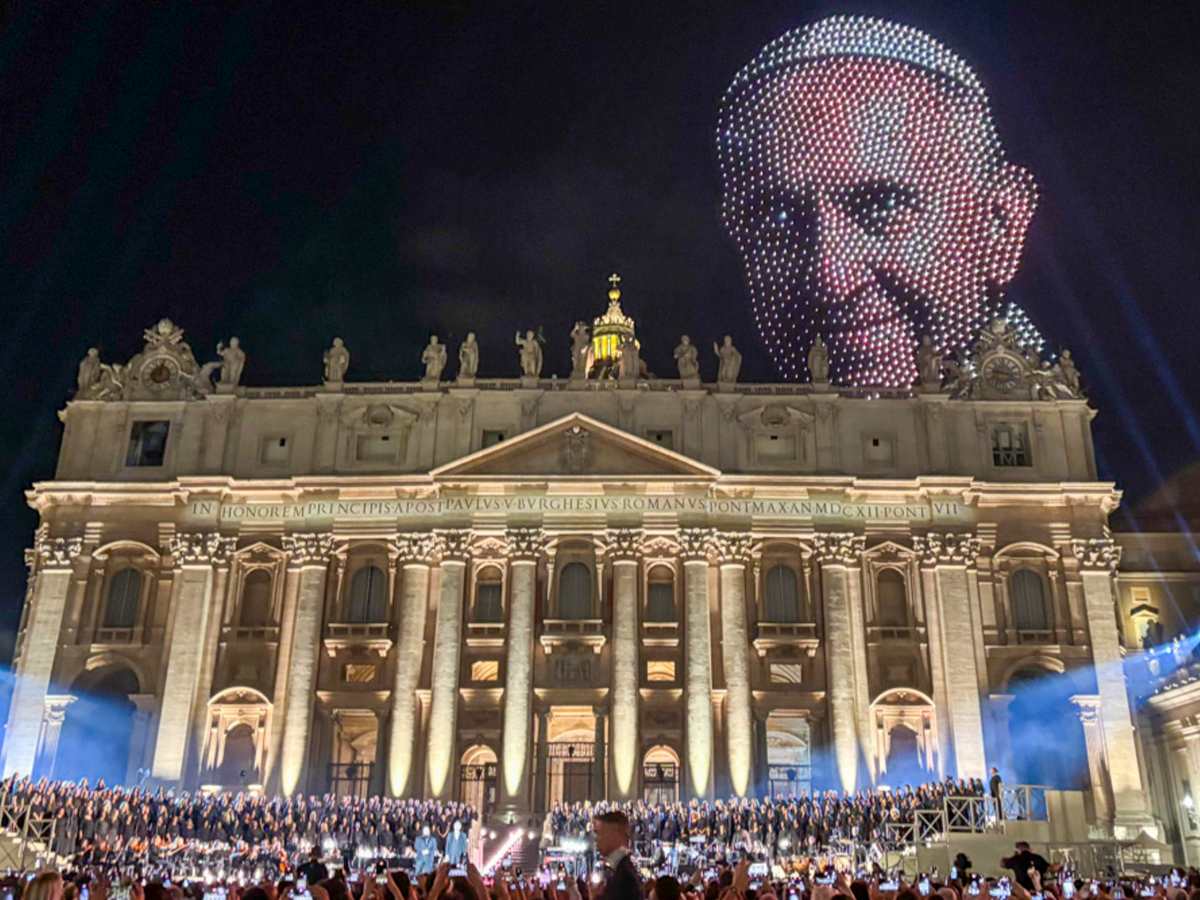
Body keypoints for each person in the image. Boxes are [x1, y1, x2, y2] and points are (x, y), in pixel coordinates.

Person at [717, 16, 1041, 389]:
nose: (831, 278)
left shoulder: (1045, 411)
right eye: (778, 218)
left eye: (883, 208)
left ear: (1001, 225)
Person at [593, 810, 640, 900]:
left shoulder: (624, 877)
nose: (596, 839)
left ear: (614, 834)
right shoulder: (617, 870)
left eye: (599, 833)